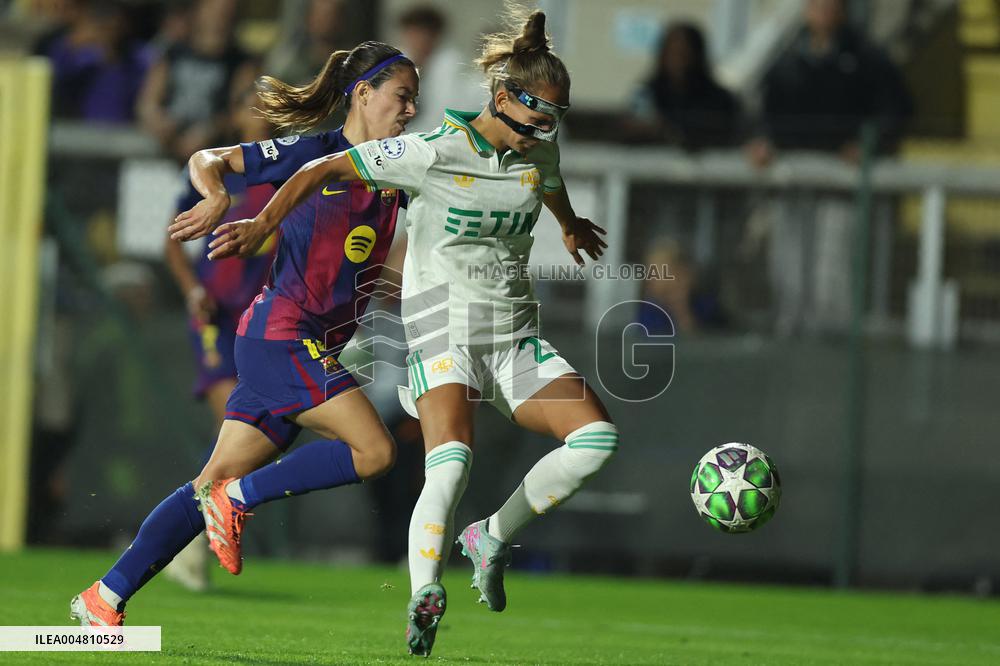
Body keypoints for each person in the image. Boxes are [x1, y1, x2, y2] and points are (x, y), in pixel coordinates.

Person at [198, 9, 614, 658]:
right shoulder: (431, 151)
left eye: (556, 119)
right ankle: (426, 591)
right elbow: (321, 171)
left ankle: (490, 538)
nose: (546, 129)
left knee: (596, 440)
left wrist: (569, 224)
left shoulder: (540, 153)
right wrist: (262, 225)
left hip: (512, 335)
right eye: (538, 115)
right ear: (504, 100)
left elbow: (551, 185)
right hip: (440, 330)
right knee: (450, 464)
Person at [69, 41, 418, 627]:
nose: (410, 110)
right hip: (282, 335)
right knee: (375, 450)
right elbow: (207, 158)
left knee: (210, 481)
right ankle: (238, 501)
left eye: (414, 100)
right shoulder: (314, 152)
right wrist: (217, 195)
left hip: (294, 341)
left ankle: (104, 597)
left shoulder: (400, 169)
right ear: (364, 92)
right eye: (402, 96)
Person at [160, 87, 279, 592]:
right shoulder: (214, 176)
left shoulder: (290, 174)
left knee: (246, 435)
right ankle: (190, 537)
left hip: (267, 321)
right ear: (233, 114)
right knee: (232, 421)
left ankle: (184, 535)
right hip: (217, 317)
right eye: (249, 104)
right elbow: (172, 242)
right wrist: (192, 293)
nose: (259, 115)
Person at [744, 0, 911, 335]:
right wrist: (759, 140)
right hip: (790, 178)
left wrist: (868, 143)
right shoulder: (788, 53)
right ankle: (789, 338)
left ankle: (829, 348)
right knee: (786, 268)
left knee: (830, 274)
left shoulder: (864, 55)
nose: (820, 9)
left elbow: (895, 109)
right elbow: (760, 107)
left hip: (839, 185)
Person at [136, 0, 257, 161]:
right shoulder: (172, 53)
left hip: (213, 160)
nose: (220, 16)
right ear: (197, 11)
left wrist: (209, 131)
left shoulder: (242, 63)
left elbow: (239, 111)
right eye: (213, 9)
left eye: (227, 10)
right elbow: (147, 102)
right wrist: (157, 121)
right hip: (161, 155)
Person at [625, 21, 741, 150]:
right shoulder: (647, 93)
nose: (677, 60)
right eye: (672, 52)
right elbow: (635, 127)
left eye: (684, 53)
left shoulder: (720, 100)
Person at [396, 5, 485, 132]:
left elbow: (445, 116)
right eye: (411, 33)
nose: (416, 40)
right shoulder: (394, 63)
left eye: (421, 34)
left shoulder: (454, 68)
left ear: (435, 35)